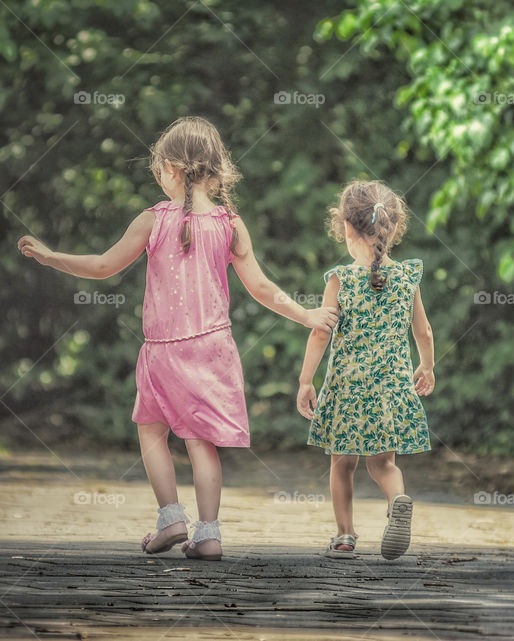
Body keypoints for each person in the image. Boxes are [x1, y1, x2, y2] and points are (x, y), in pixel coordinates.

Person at [18, 116, 338, 561]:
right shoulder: (230, 223)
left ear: (171, 168)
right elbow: (263, 289)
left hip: (164, 351)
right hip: (213, 347)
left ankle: (171, 517)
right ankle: (208, 533)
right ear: (214, 170)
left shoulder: (153, 220)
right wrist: (306, 314)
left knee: (151, 431)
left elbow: (103, 266)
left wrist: (53, 258)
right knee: (200, 442)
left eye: (157, 169)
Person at [296, 179, 434, 560]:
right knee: (384, 464)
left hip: (348, 388)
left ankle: (344, 535)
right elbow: (422, 330)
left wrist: (306, 380)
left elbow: (320, 335)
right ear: (393, 229)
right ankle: (399, 498)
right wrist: (427, 366)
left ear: (345, 227)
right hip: (391, 387)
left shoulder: (341, 280)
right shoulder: (408, 277)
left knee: (342, 464)